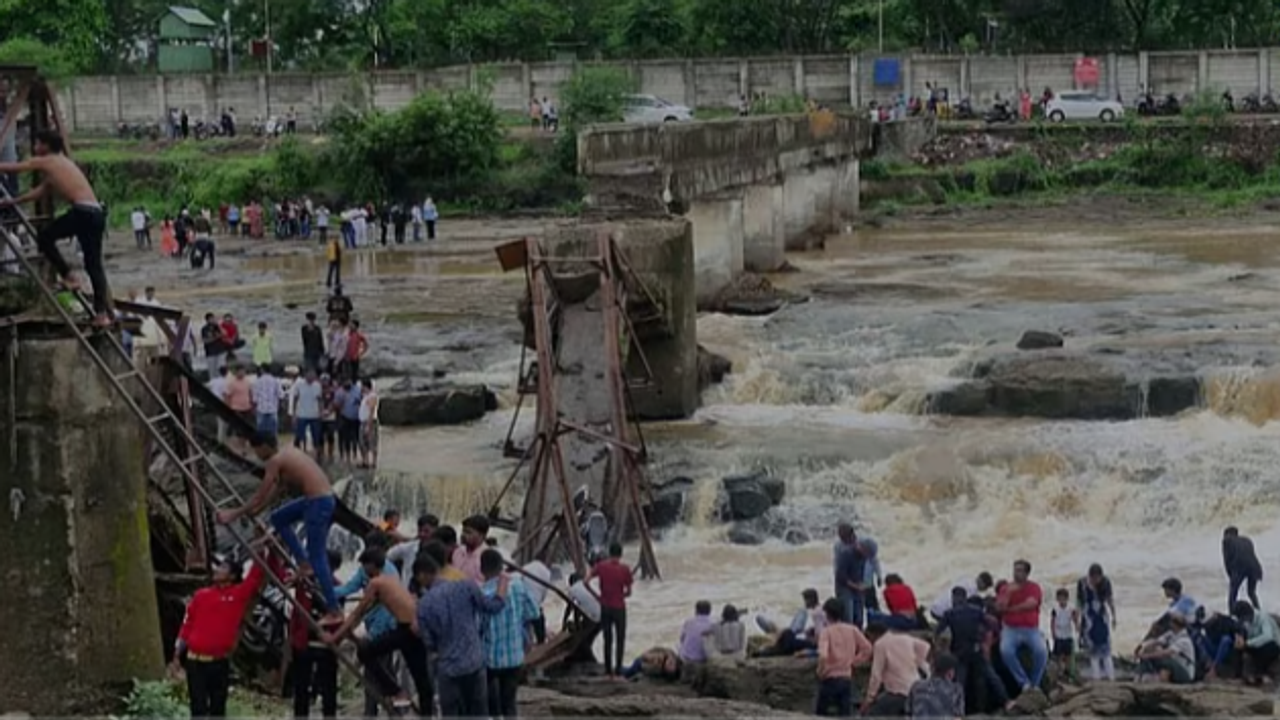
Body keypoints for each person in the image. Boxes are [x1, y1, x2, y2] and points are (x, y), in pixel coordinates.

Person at [215, 434, 341, 622]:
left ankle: (334, 611)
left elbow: (259, 495)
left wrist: (233, 513)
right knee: (279, 517)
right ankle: (303, 563)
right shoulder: (288, 454)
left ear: (264, 447)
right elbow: (276, 491)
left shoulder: (275, 461)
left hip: (317, 503)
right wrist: (258, 510)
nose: (256, 454)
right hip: (317, 500)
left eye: (256, 449)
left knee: (318, 556)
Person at [0, 130, 114, 326]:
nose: (34, 148)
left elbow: (16, 168)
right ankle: (101, 314)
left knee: (44, 237)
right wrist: (13, 202)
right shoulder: (61, 164)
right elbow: (39, 192)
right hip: (95, 213)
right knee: (93, 264)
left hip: (83, 212)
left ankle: (69, 276)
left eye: (36, 143)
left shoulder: (48, 160)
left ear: (45, 145)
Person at [322, 549, 432, 712]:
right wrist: (347, 632)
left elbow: (356, 612)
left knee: (366, 651)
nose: (363, 570)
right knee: (422, 681)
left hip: (405, 630)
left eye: (364, 566)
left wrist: (334, 637)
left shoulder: (375, 583)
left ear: (371, 565)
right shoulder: (391, 578)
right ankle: (422, 710)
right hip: (415, 627)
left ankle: (396, 691)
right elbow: (365, 611)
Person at [415, 553, 510, 719]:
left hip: (448, 668)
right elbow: (493, 607)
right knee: (479, 712)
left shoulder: (424, 604)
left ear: (422, 575)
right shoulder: (466, 586)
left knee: (451, 713)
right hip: (474, 662)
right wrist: (502, 584)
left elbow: (429, 642)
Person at [171, 553, 267, 718]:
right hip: (195, 662)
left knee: (217, 708)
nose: (217, 570)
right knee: (198, 707)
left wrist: (261, 552)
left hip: (218, 662)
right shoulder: (201, 595)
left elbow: (254, 577)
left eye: (223, 568)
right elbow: (188, 623)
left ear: (232, 576)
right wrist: (177, 651)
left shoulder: (237, 595)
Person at [481, 549, 540, 720]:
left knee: (491, 704)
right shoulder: (518, 586)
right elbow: (534, 613)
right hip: (514, 656)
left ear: (481, 570)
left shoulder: (482, 593)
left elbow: (478, 627)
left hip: (490, 659)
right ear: (502, 567)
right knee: (509, 702)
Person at [935, 588, 1010, 714]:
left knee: (960, 683)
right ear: (965, 597)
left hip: (959, 653)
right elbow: (990, 624)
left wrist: (939, 647)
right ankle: (1004, 701)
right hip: (975, 650)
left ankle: (958, 711)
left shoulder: (949, 613)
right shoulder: (976, 611)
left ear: (954, 598)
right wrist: (989, 638)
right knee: (988, 677)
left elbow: (939, 631)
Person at [290, 550, 343, 719]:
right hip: (304, 644)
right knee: (301, 688)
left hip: (326, 644)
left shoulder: (338, 587)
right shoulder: (304, 582)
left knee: (328, 689)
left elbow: (337, 617)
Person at [996, 559, 1047, 695]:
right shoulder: (1006, 588)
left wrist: (1011, 609)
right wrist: (1008, 594)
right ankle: (1023, 683)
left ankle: (1035, 684)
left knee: (1041, 651)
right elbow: (1000, 608)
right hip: (1010, 629)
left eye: (1019, 571)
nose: (1016, 573)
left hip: (1030, 629)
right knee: (1005, 650)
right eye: (1015, 570)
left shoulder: (1034, 587)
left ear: (1026, 573)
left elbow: (1031, 604)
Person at [815, 597, 873, 717]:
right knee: (845, 713)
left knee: (821, 713)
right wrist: (855, 661)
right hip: (846, 677)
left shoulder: (826, 632)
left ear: (827, 614)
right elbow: (868, 648)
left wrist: (820, 671)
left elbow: (823, 656)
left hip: (829, 678)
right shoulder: (852, 629)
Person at [861, 621, 931, 716]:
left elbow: (876, 675)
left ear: (873, 635)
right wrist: (916, 660)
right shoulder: (905, 638)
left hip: (897, 691)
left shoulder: (880, 644)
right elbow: (926, 647)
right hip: (915, 688)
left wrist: (869, 699)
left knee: (872, 714)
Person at [585, 541, 634, 678]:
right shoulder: (625, 569)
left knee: (608, 639)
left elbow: (586, 581)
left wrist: (597, 596)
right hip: (619, 607)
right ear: (621, 554)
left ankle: (608, 670)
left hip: (605, 606)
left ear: (609, 553)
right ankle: (618, 669)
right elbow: (629, 592)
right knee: (620, 639)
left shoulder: (601, 566)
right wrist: (622, 595)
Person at [1076, 563, 1116, 681]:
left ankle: (1111, 676)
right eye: (1094, 578)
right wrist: (1077, 619)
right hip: (1088, 617)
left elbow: (1110, 600)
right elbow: (1079, 602)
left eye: (1098, 578)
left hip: (1101, 617)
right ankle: (1096, 677)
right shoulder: (1082, 583)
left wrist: (1114, 616)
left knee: (1106, 647)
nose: (1096, 581)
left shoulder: (1106, 582)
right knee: (1091, 648)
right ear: (1090, 576)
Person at [1134, 612, 1196, 684]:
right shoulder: (1171, 634)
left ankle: (1162, 680)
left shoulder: (1184, 641)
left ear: (1175, 625)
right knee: (1151, 650)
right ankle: (1141, 676)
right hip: (1175, 667)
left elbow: (1166, 653)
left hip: (1185, 673)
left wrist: (1147, 656)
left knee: (1166, 662)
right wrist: (1142, 646)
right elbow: (1156, 641)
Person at [1233, 601, 1280, 685]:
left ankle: (1262, 674)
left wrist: (1248, 643)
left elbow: (1268, 636)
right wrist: (1240, 638)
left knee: (1267, 649)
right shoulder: (1244, 621)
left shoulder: (1263, 618)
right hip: (1254, 643)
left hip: (1272, 645)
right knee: (1238, 647)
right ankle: (1238, 675)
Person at [385, 514, 439, 587]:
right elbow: (386, 556)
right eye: (420, 530)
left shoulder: (441, 552)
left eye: (426, 531)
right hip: (406, 593)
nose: (422, 534)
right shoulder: (409, 547)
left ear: (436, 531)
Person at [906, 653, 964, 720]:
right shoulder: (955, 689)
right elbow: (957, 716)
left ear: (932, 669)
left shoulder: (917, 686)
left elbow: (908, 712)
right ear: (950, 672)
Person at [834, 523, 868, 627]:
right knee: (848, 617)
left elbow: (867, 569)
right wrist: (856, 586)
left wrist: (865, 584)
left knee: (859, 617)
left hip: (857, 585)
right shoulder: (844, 552)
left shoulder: (863, 548)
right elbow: (840, 576)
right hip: (845, 587)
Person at [1223, 526, 1263, 610]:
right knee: (1251, 592)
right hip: (1254, 567)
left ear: (1227, 534)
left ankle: (1232, 615)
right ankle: (1259, 611)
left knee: (1233, 594)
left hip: (1239, 568)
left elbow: (1227, 560)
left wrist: (1231, 576)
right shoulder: (1247, 540)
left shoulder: (1227, 540)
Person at [930, 571, 995, 622]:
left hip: (936, 606)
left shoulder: (966, 580)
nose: (985, 590)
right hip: (941, 612)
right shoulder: (972, 592)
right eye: (986, 587)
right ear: (982, 584)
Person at [290, 369, 324, 454]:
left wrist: (321, 412)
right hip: (302, 414)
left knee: (316, 436)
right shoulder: (299, 385)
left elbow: (320, 400)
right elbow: (295, 399)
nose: (312, 377)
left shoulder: (317, 385)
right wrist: (294, 414)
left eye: (313, 375)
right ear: (306, 375)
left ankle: (317, 454)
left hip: (314, 415)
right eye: (310, 375)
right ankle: (298, 453)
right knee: (300, 436)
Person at [1050, 587, 1080, 684]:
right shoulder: (1055, 609)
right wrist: (1053, 633)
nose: (1062, 601)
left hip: (1068, 634)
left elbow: (1074, 618)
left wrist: (1077, 626)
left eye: (1063, 598)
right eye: (1060, 598)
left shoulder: (1071, 609)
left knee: (1068, 655)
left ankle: (1068, 671)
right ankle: (1060, 671)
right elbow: (1052, 621)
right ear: (1057, 599)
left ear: (1067, 598)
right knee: (1059, 655)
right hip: (1059, 635)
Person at [453, 515, 490, 584]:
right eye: (463, 531)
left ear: (481, 535)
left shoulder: (487, 557)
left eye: (468, 532)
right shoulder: (458, 551)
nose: (463, 535)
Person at [251, 366, 284, 441]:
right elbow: (281, 395)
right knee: (273, 431)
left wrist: (254, 409)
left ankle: (262, 446)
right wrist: (279, 406)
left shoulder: (257, 381)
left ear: (262, 370)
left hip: (261, 409)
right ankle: (274, 445)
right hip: (273, 409)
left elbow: (255, 398)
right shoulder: (276, 381)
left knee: (261, 431)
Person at [678, 601, 716, 666]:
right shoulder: (713, 623)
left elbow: (682, 639)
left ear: (696, 611)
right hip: (702, 659)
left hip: (686, 657)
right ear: (709, 611)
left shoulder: (689, 622)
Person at [359, 377, 379, 469]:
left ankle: (374, 462)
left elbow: (371, 410)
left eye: (362, 386)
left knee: (372, 442)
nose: (360, 388)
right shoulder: (365, 396)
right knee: (363, 443)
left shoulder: (372, 396)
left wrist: (368, 425)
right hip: (363, 421)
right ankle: (365, 461)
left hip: (370, 422)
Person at [201, 313, 228, 378]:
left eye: (213, 318)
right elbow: (205, 341)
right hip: (210, 352)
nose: (213, 320)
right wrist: (216, 337)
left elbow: (225, 333)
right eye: (211, 319)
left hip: (220, 350)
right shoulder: (204, 329)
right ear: (207, 320)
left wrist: (218, 325)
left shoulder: (217, 326)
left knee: (221, 368)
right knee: (212, 371)